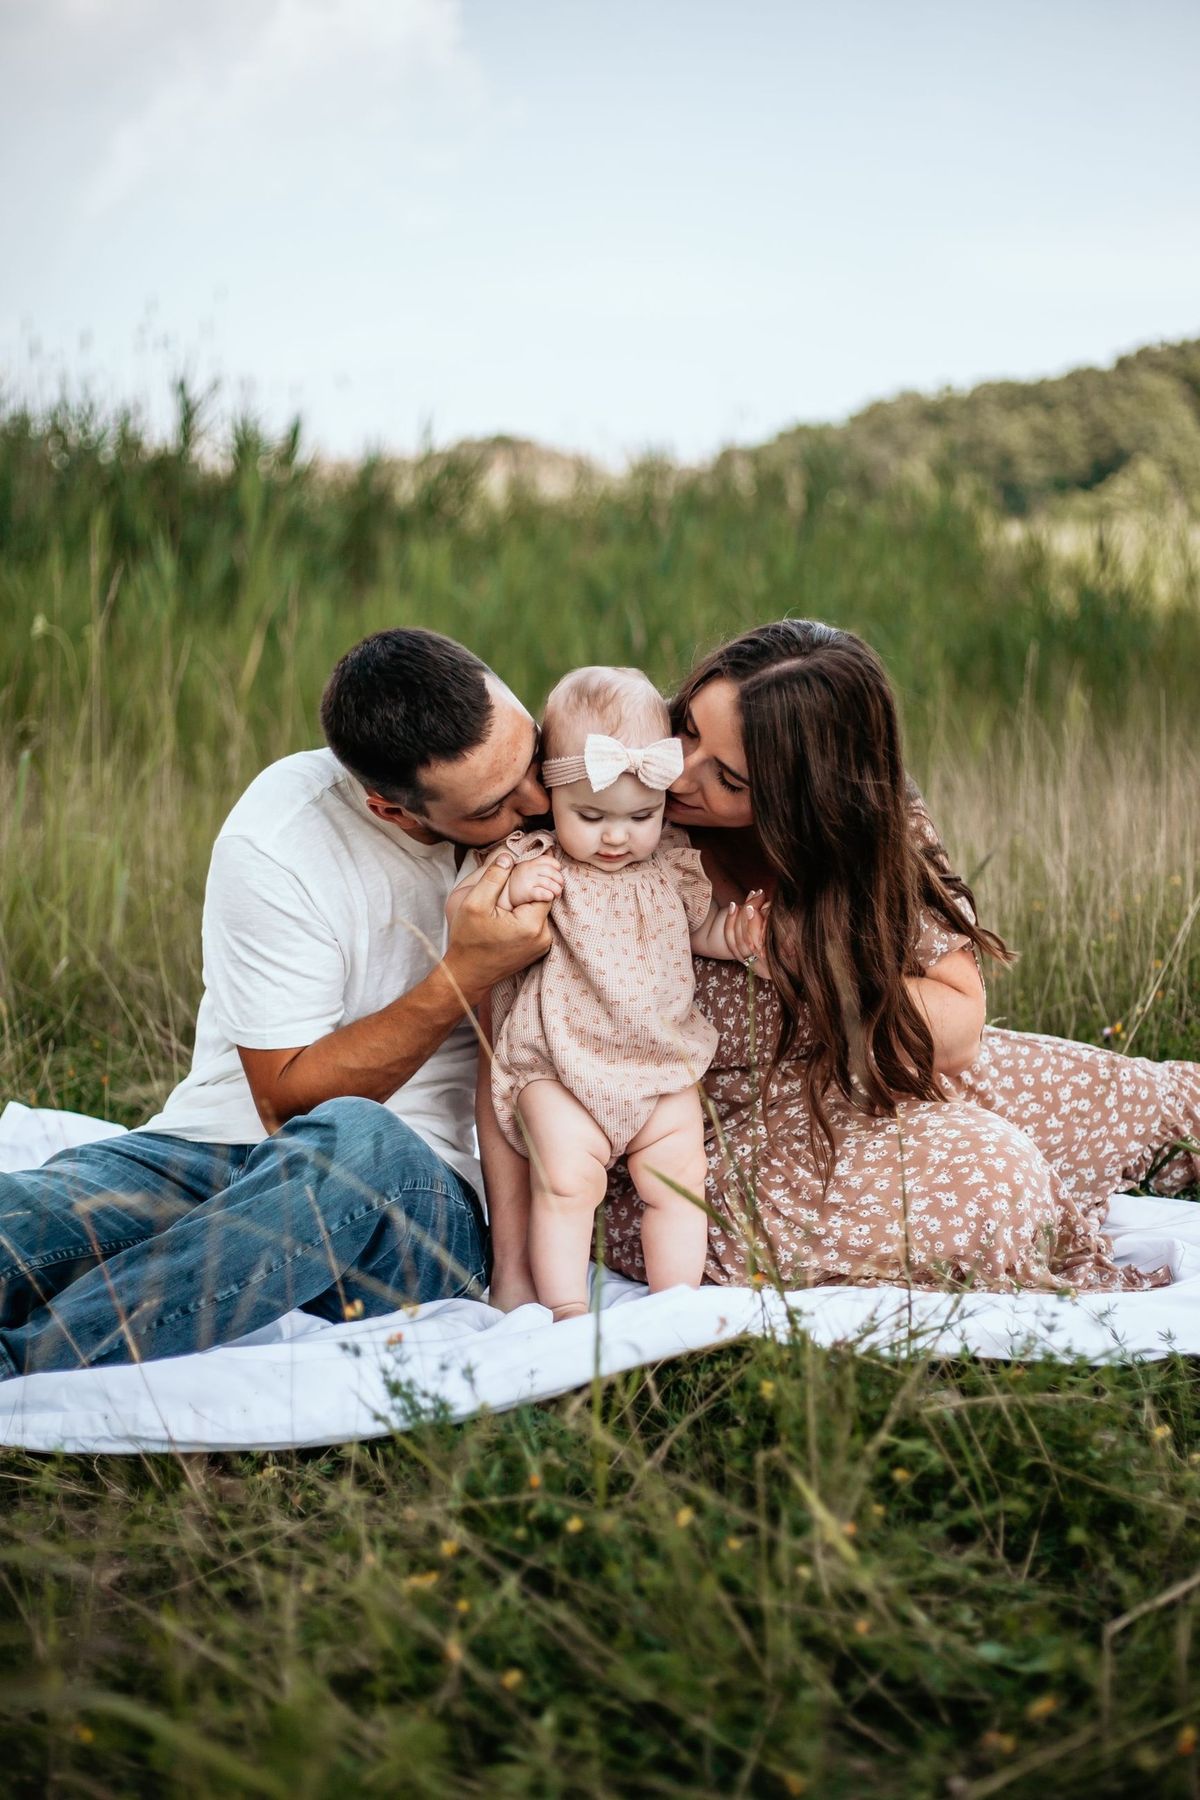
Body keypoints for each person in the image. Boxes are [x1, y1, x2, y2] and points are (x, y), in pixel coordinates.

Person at [0, 629, 553, 1379]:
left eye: (533, 758)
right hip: (218, 1151)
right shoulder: (279, 841)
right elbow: (285, 1103)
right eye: (494, 806)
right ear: (391, 810)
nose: (537, 801)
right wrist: (463, 974)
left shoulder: (572, 805)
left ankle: (29, 1364)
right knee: (26, 1220)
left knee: (361, 1140)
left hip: (423, 1206)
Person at [602, 620, 1198, 1292]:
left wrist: (808, 962)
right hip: (705, 1147)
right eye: (685, 727)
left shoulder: (869, 830)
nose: (680, 768)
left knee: (1162, 1101)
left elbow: (958, 1024)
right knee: (997, 1179)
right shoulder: (612, 808)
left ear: (809, 800)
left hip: (862, 1074)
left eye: (730, 778)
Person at [449, 666, 766, 1320]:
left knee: (678, 1184)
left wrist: (734, 938)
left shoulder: (674, 864)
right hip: (562, 1066)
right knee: (567, 1183)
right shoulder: (539, 860)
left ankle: (672, 1306)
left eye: (640, 816)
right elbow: (471, 912)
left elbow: (699, 929)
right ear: (553, 800)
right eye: (591, 817)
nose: (617, 837)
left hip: (660, 1066)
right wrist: (514, 890)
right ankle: (564, 1308)